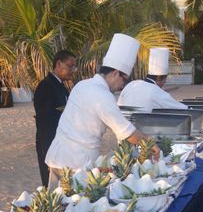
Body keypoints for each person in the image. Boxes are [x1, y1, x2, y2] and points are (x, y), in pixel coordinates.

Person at [45, 34, 160, 187]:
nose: (122, 86)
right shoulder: (103, 95)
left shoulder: (82, 84)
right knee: (75, 207)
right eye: (123, 80)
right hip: (76, 164)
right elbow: (126, 132)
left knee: (58, 205)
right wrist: (150, 143)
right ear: (114, 73)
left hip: (56, 157)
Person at [33, 50, 77, 187]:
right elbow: (45, 125)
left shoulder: (61, 87)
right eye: (70, 66)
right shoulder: (46, 87)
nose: (73, 70)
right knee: (52, 189)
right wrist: (49, 156)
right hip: (51, 147)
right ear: (58, 64)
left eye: (74, 67)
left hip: (62, 145)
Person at [117, 47, 188, 112]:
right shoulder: (157, 92)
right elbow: (182, 109)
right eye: (164, 79)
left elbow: (119, 106)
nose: (165, 82)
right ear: (158, 78)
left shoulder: (131, 84)